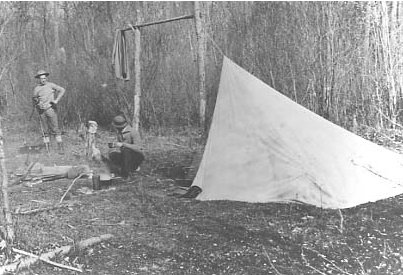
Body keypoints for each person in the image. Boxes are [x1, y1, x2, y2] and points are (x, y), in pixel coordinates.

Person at [32, 70, 66, 153]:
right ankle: (47, 148)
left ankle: (60, 148)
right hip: (41, 111)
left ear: (46, 78)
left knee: (55, 129)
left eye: (44, 78)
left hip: (51, 109)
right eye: (41, 78)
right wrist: (37, 103)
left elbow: (62, 90)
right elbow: (34, 98)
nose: (43, 80)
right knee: (44, 130)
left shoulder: (51, 85)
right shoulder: (36, 88)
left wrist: (56, 100)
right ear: (38, 79)